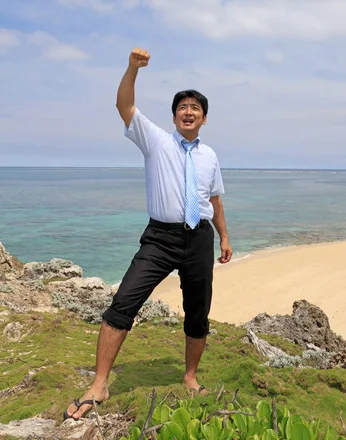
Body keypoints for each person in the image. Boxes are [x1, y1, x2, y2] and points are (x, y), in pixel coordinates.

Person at [64, 48, 232, 420]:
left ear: (204, 118)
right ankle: (99, 385)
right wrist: (132, 69)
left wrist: (224, 237)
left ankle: (190, 376)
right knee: (123, 303)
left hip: (200, 237)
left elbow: (214, 200)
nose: (188, 112)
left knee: (198, 313)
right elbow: (123, 104)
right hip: (160, 238)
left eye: (195, 108)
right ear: (174, 115)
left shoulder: (211, 157)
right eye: (182, 107)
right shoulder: (156, 140)